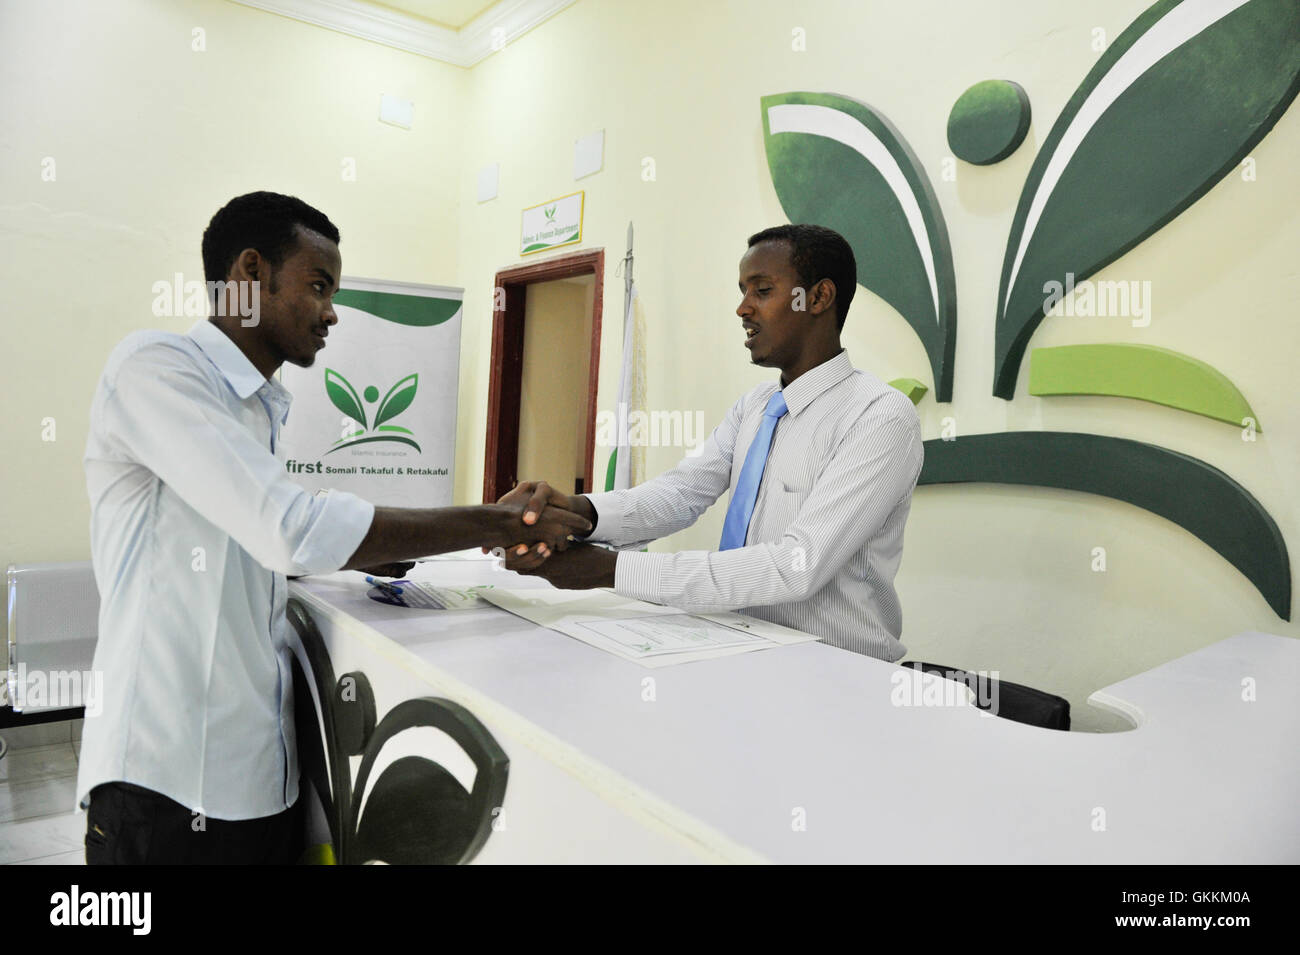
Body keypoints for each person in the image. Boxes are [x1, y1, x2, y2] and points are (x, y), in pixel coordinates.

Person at [78, 191, 588, 865]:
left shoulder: (260, 409)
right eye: (317, 286)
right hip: (163, 786)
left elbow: (254, 551)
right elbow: (286, 526)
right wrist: (495, 520)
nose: (331, 311)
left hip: (261, 783)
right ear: (250, 275)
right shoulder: (156, 369)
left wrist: (381, 560)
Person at [502, 224, 923, 662]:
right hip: (740, 649)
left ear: (817, 298)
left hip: (838, 674)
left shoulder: (879, 416)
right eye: (743, 291)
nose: (742, 308)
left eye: (762, 290)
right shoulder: (756, 406)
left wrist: (612, 570)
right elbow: (680, 494)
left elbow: (797, 565)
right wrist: (580, 512)